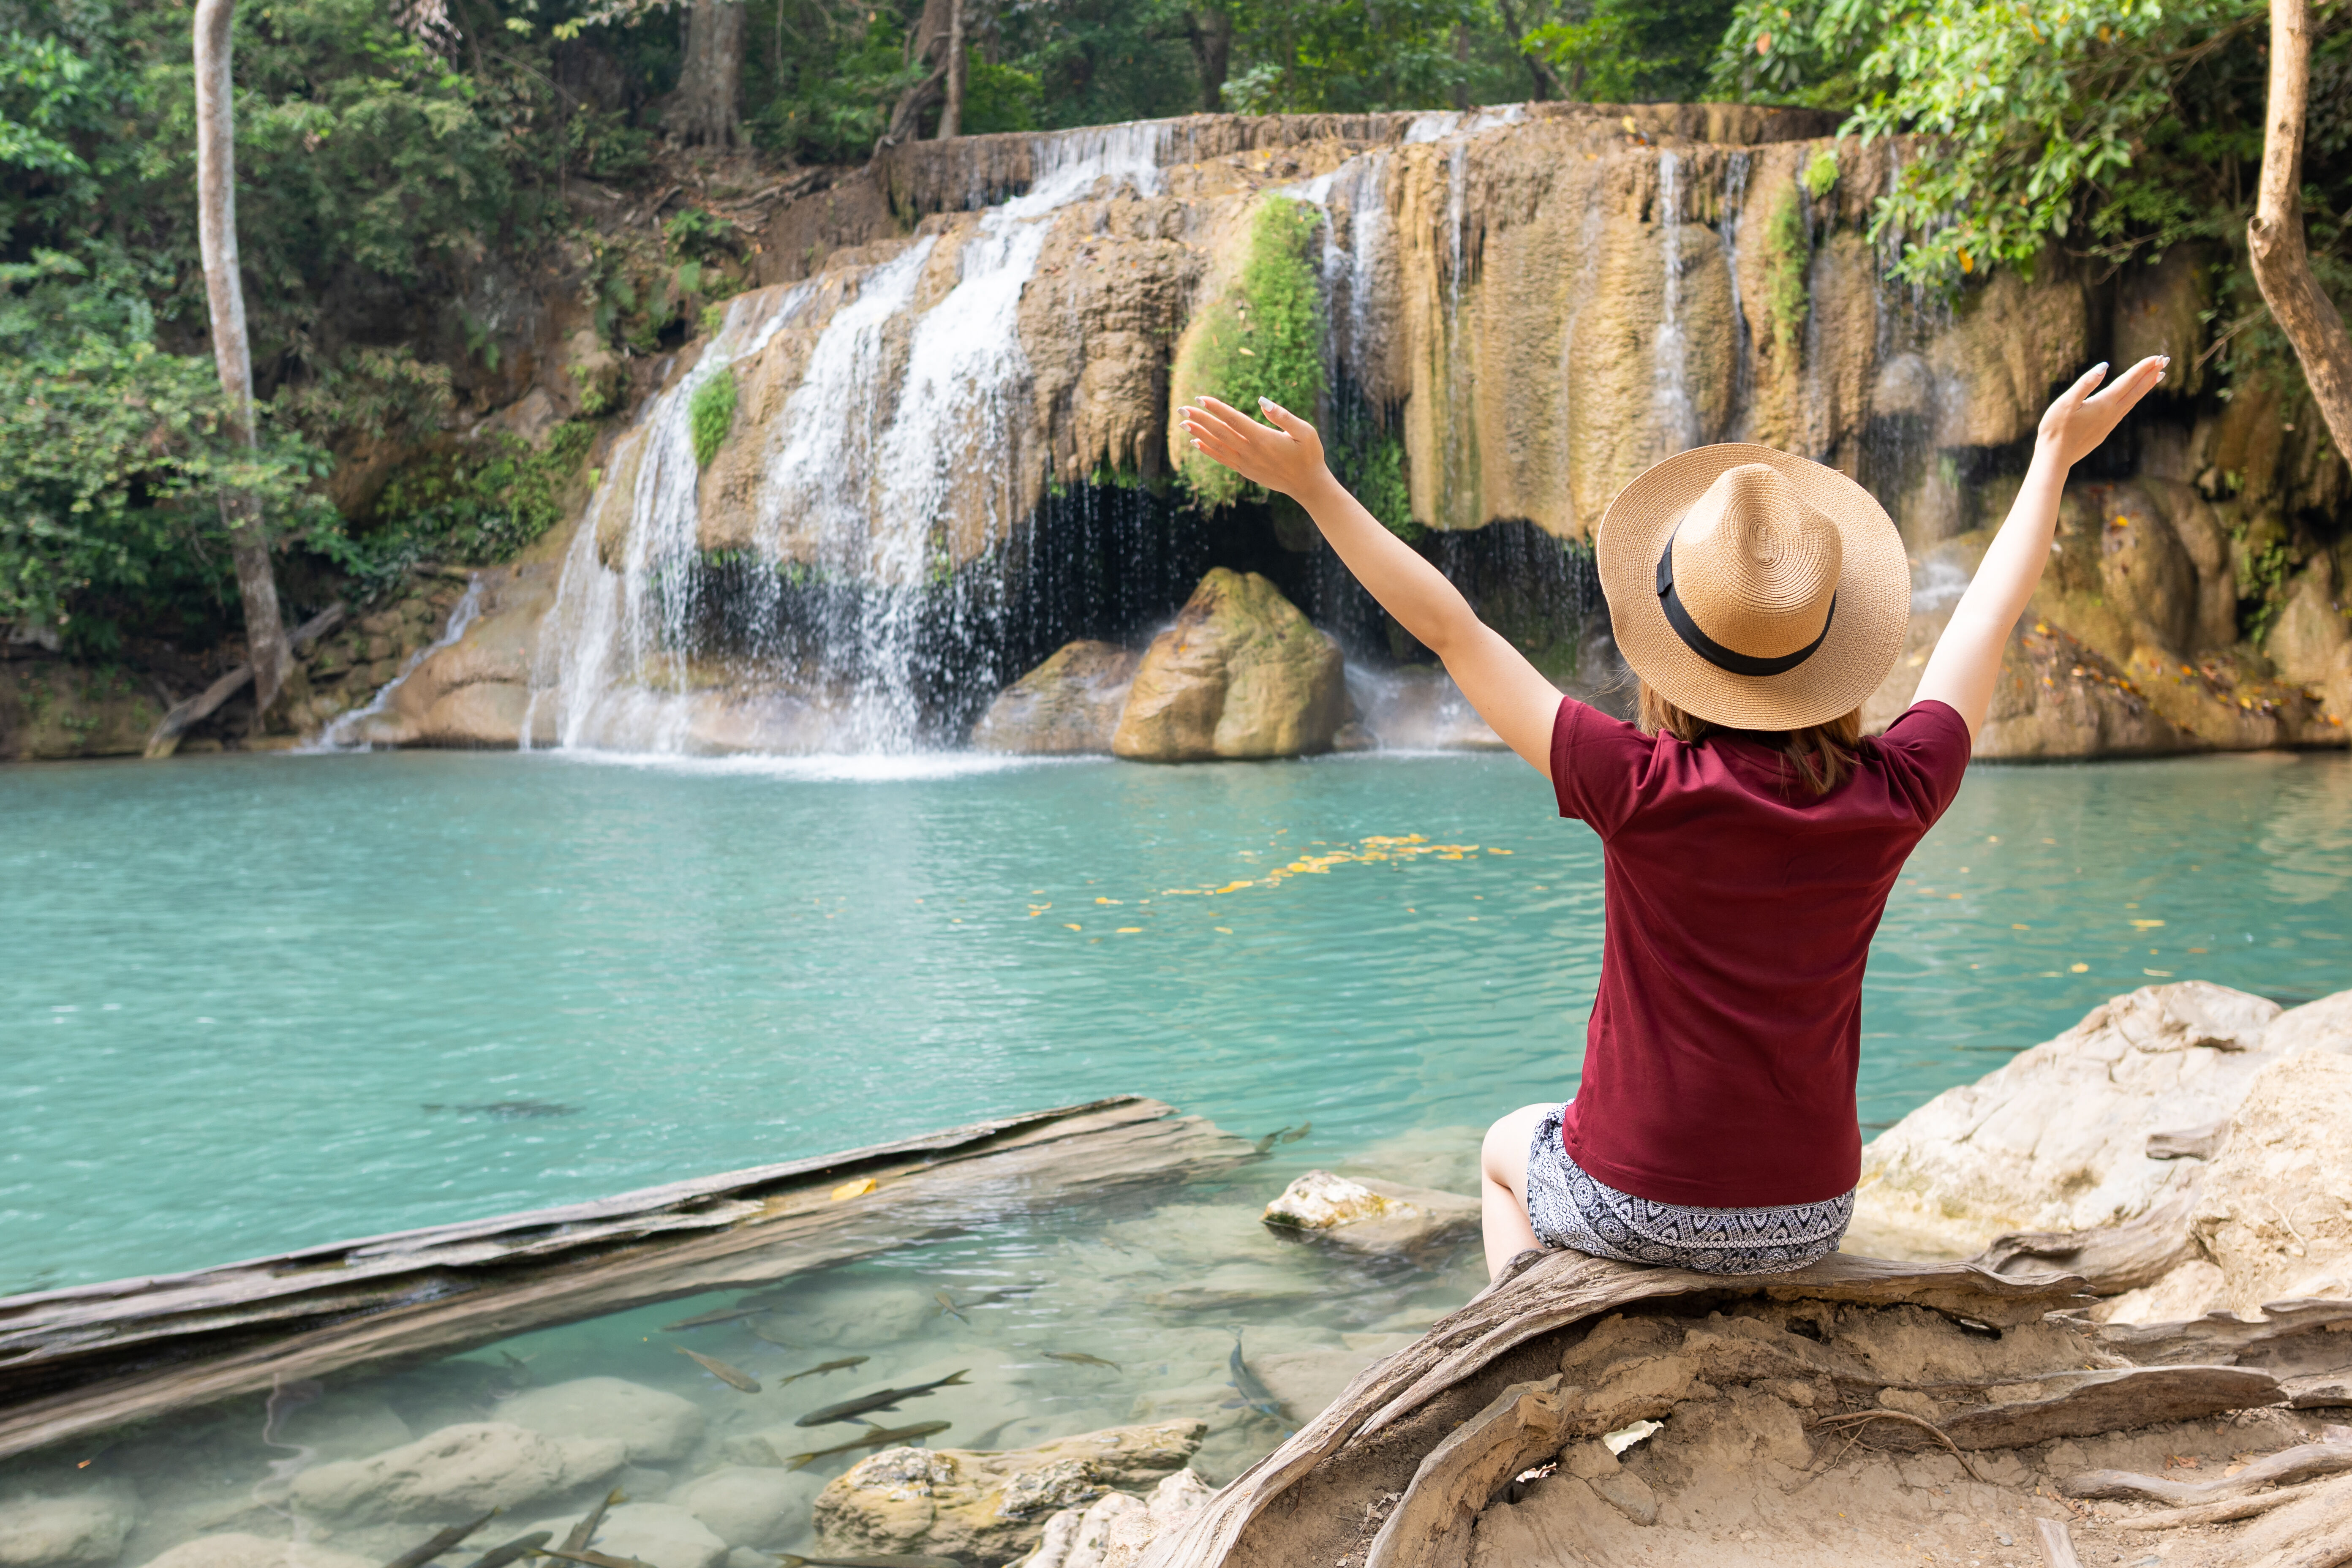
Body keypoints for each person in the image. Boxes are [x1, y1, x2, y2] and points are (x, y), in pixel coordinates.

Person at [1179, 353, 2169, 1280]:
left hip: (1634, 1200)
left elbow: (1451, 627)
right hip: (1809, 1214)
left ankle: (1520, 1347)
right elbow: (1984, 620)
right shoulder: (1896, 787)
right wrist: (2049, 459)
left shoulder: (1638, 782)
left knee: (1501, 1147)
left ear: (1672, 649)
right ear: (1836, 649)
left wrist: (1316, 486)